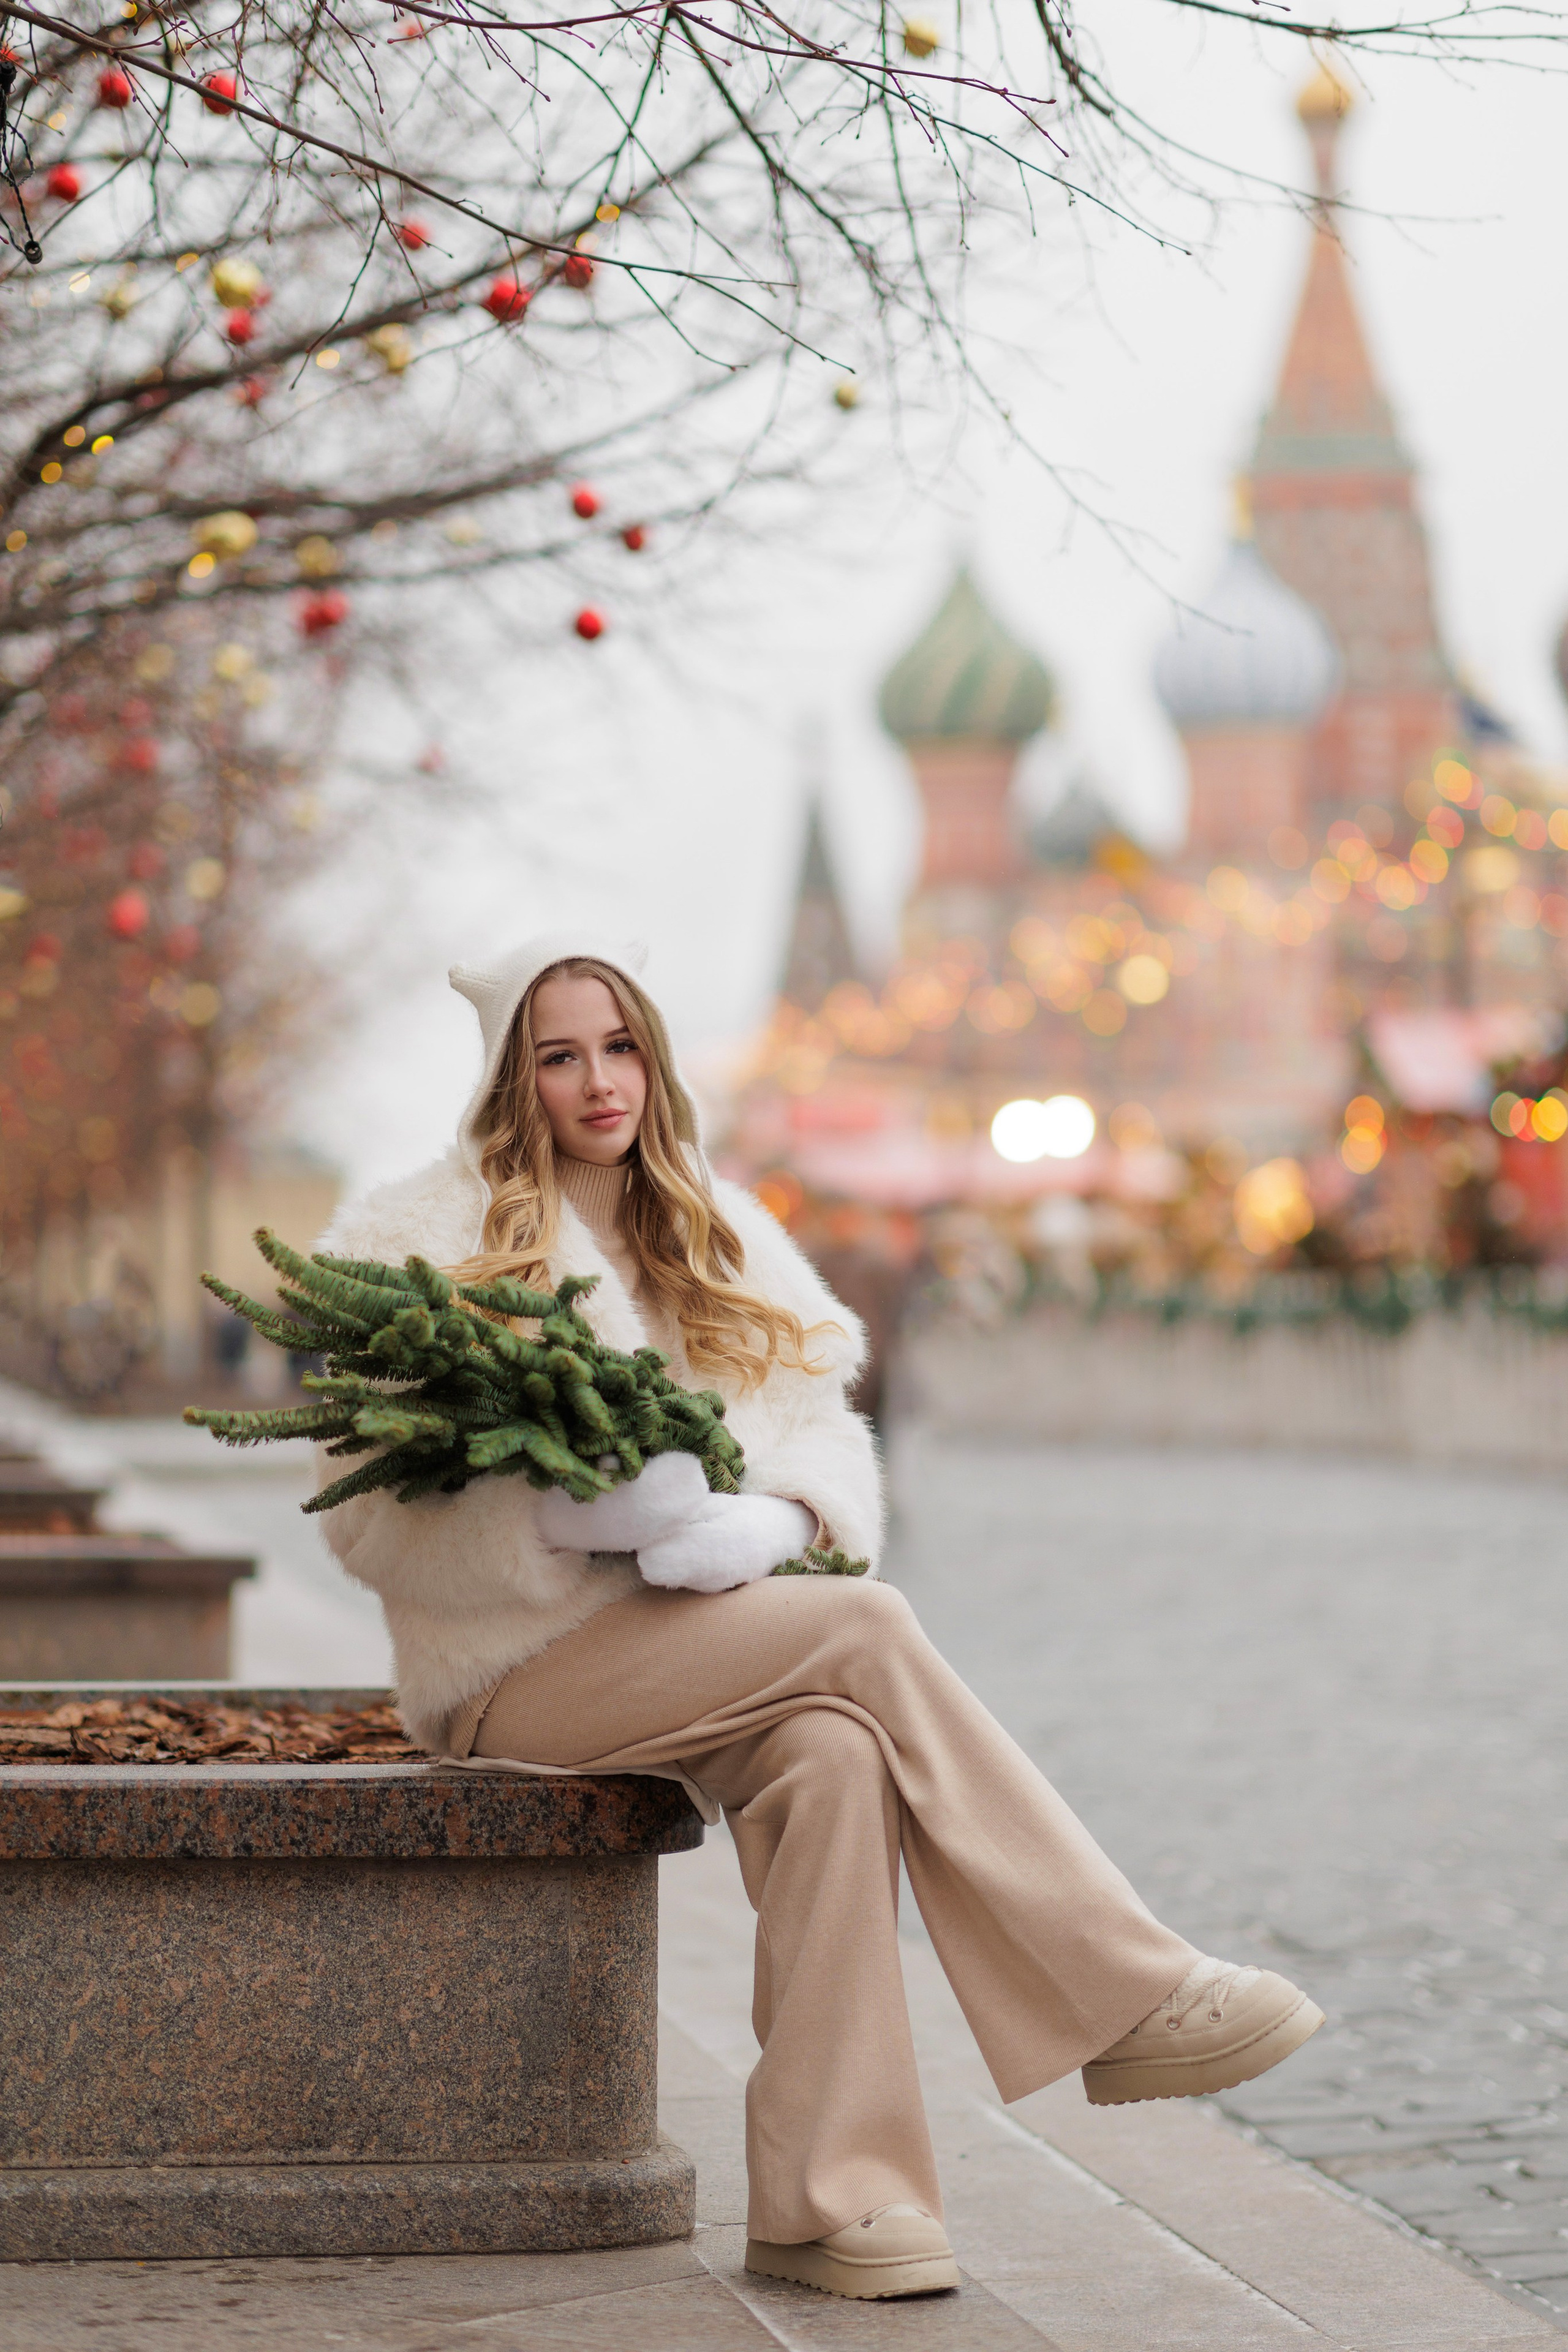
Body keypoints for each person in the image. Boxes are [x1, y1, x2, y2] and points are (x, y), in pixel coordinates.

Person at [315, 933, 1323, 2303]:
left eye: (620, 1046)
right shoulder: (419, 1239)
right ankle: (1123, 1989)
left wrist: (781, 1520)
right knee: (864, 1629)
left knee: (835, 1757)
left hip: (705, 1646)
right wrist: (556, 1519)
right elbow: (362, 1506)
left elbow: (823, 1430)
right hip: (518, 1665)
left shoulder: (715, 1230)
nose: (599, 1082)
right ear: (510, 1079)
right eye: (558, 1056)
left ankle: (830, 2200)